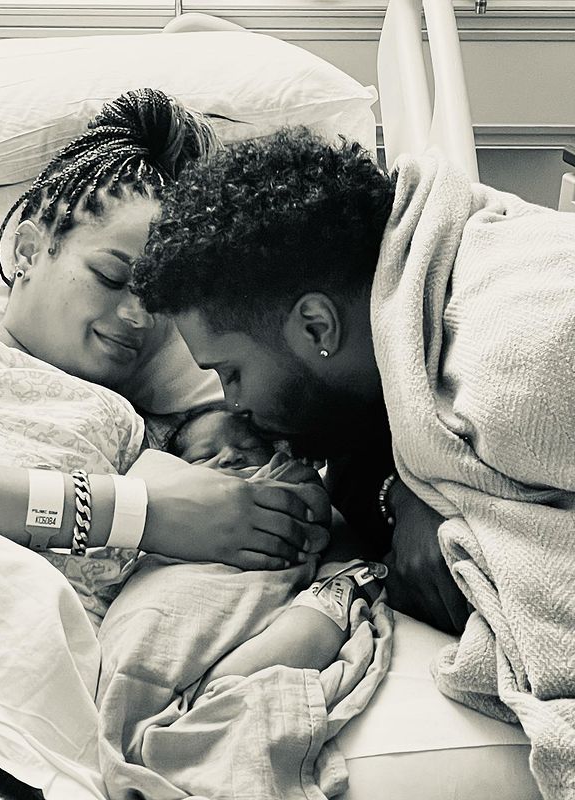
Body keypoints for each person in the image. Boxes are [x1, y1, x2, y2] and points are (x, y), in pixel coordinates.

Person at [130, 126, 575, 793]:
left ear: (317, 326)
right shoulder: (397, 320)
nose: (234, 404)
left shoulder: (524, 354)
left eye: (232, 373)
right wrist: (406, 491)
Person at [0, 97, 332, 619]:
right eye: (111, 277)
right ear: (28, 250)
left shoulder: (157, 443)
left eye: (158, 300)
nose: (138, 316)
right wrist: (138, 513)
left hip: (32, 656)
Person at [165, 402, 384, 694]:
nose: (230, 455)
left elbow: (326, 522)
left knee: (306, 634)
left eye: (249, 446)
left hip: (278, 612)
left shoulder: (289, 484)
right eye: (204, 456)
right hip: (187, 597)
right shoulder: (166, 503)